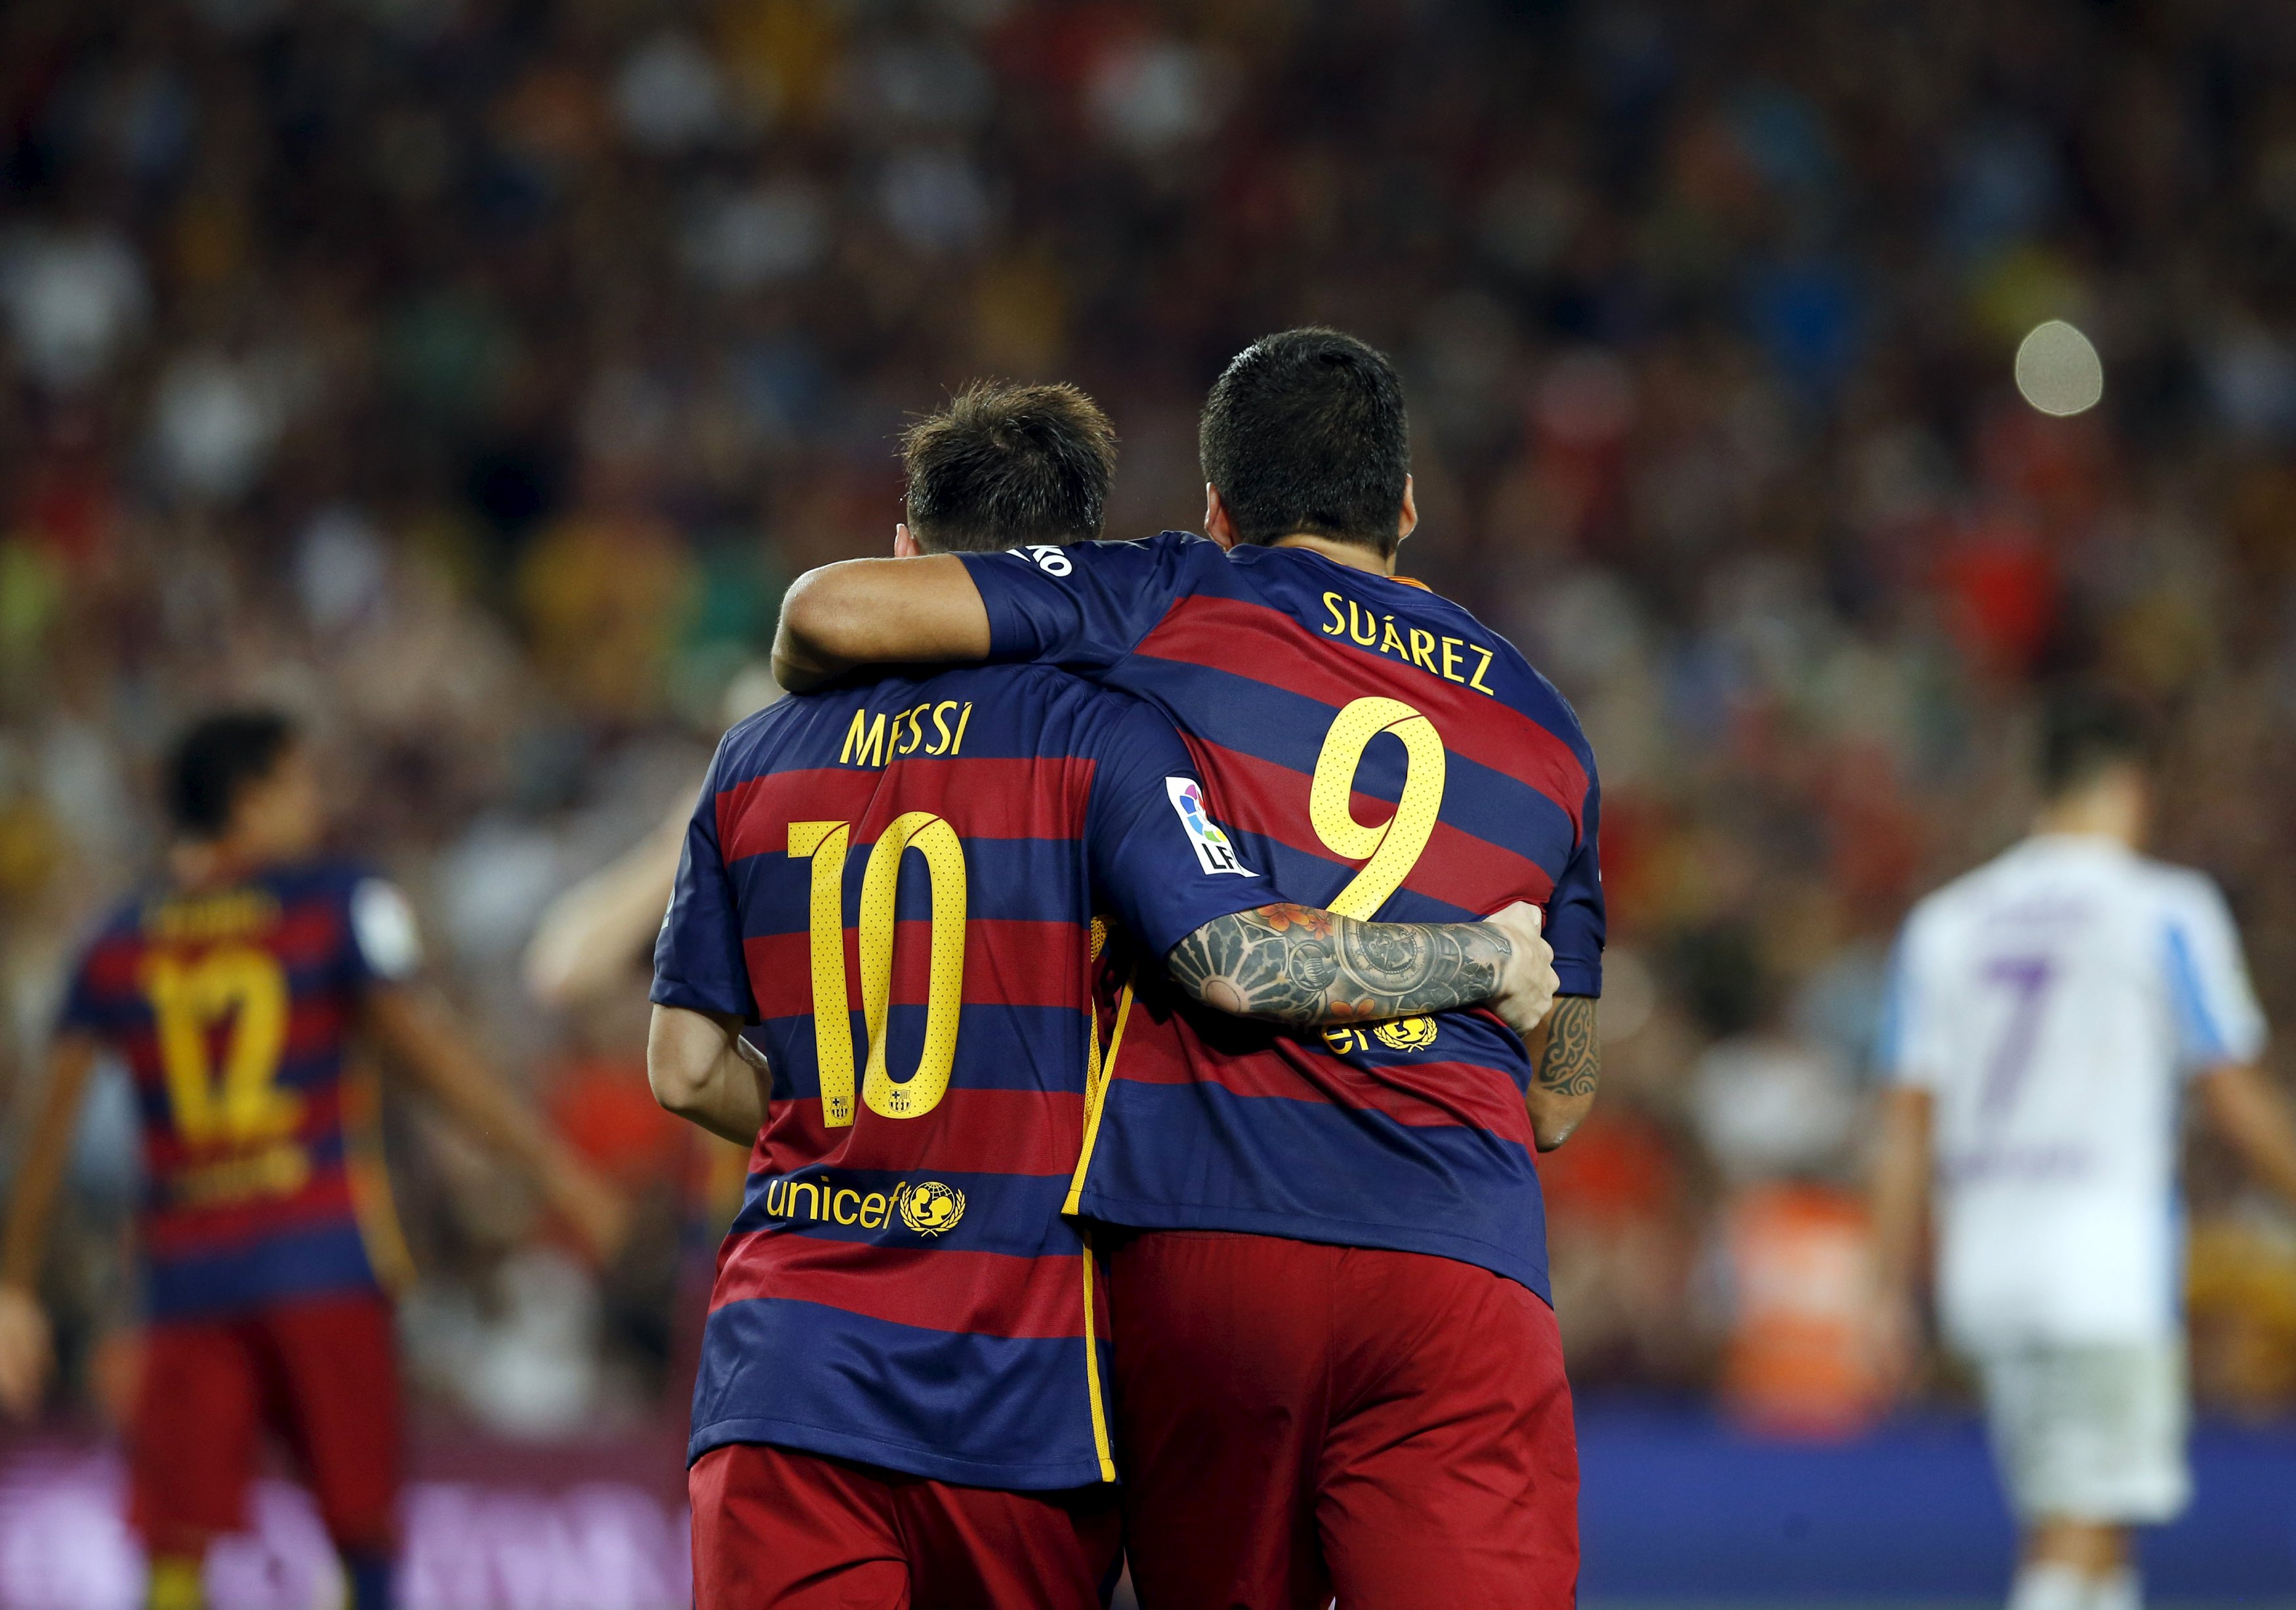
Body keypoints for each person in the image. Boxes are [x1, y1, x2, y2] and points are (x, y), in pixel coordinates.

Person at [648, 379, 1560, 1610]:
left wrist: (844, 1136)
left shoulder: (752, 758)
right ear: (1059, 568)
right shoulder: (1104, 735)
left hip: (785, 1368)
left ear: (909, 549)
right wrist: (1487, 958)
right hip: (1019, 1383)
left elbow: (687, 1067)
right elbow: (1236, 957)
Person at [0, 711, 626, 1610]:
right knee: (360, 1527)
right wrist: (559, 1172)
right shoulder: (336, 902)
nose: (316, 803)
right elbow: (435, 1059)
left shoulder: (119, 938)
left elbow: (46, 1123)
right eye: (298, 783)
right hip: (324, 1259)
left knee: (174, 1539)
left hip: (185, 1282)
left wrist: (15, 1283)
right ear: (248, 801)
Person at [1872, 690, 2296, 1610]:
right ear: (2130, 788)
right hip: (2102, 1258)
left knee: (2088, 1522)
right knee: (2080, 1524)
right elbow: (2231, 1092)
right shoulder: (2165, 909)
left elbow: (1904, 1121)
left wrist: (1883, 1287)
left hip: (1985, 1260)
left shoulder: (1946, 922)